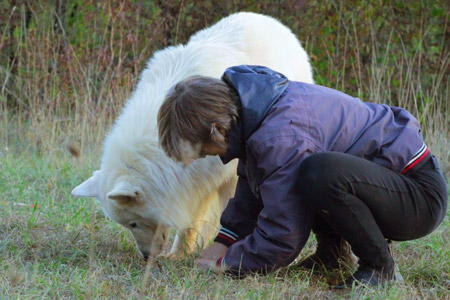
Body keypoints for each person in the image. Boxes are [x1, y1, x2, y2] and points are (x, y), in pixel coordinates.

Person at [157, 65, 448, 288]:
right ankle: (332, 255)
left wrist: (229, 263)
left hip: (418, 198)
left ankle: (379, 268)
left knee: (318, 173)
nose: (211, 157)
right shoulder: (255, 114)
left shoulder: (281, 135)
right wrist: (225, 240)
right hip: (391, 188)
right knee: (311, 173)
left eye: (206, 150)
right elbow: (254, 187)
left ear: (218, 130)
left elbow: (284, 235)